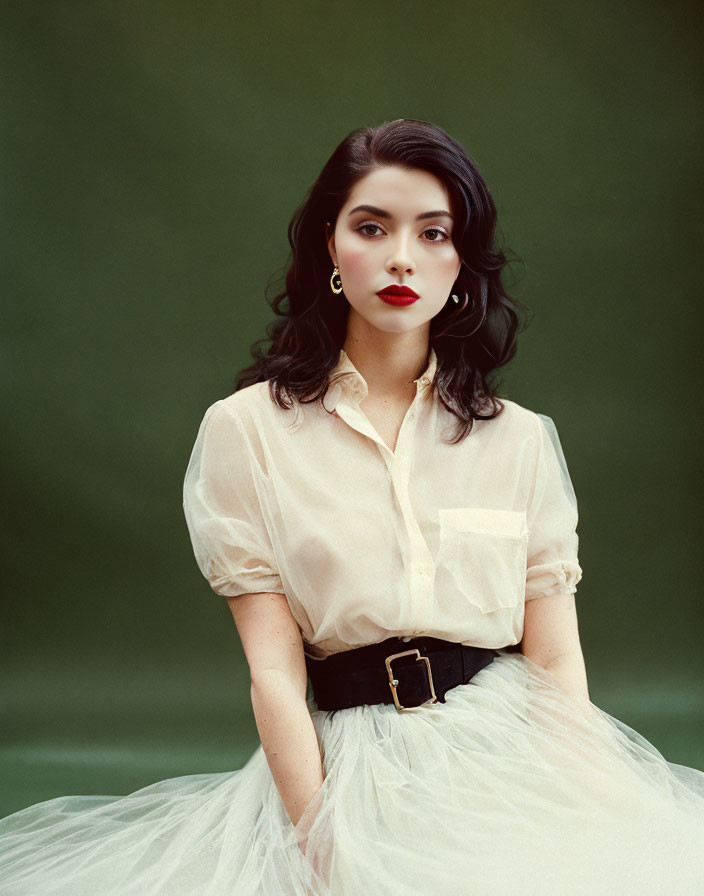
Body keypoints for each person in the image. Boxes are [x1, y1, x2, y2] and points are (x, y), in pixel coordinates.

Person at [0, 118, 702, 895]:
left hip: (508, 751)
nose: (403, 257)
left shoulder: (522, 441)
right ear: (331, 249)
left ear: (462, 262)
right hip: (347, 767)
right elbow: (273, 674)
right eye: (372, 227)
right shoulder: (247, 431)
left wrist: (584, 813)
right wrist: (322, 845)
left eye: (434, 233)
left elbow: (554, 658)